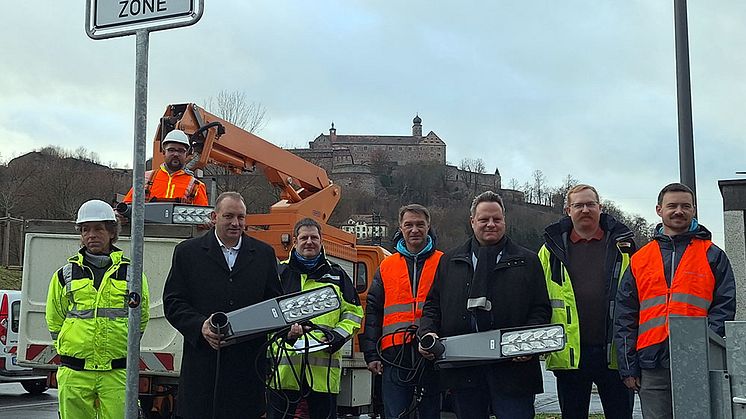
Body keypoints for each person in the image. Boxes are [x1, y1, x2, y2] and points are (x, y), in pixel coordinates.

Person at [418, 191, 551, 419]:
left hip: (513, 370)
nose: (491, 224)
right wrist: (426, 332)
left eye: (496, 219)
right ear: (472, 222)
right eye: (484, 219)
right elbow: (433, 305)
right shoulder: (449, 261)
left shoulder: (528, 261)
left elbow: (540, 309)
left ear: (504, 221)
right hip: (464, 371)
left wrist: (527, 344)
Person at [614, 182, 736, 419]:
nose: (678, 211)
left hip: (698, 361)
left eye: (685, 206)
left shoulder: (712, 254)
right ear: (659, 210)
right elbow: (625, 316)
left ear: (693, 210)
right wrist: (628, 367)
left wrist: (703, 346)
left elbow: (724, 306)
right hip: (652, 362)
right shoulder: (640, 259)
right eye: (672, 206)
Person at [163, 191, 282, 419]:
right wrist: (200, 326)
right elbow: (173, 302)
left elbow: (273, 304)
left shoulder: (264, 255)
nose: (236, 223)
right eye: (229, 216)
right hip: (202, 370)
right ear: (214, 217)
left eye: (241, 217)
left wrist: (288, 329)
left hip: (247, 372)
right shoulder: (188, 253)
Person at [538, 184, 636, 419]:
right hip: (570, 355)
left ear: (600, 208)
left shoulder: (625, 247)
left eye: (590, 204)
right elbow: (537, 298)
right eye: (578, 205)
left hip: (615, 353)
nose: (585, 209)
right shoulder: (549, 250)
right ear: (567, 210)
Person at [46, 199, 149, 419]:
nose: (91, 235)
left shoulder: (132, 274)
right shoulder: (65, 274)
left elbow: (140, 319)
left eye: (98, 229)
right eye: (85, 230)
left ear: (112, 232)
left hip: (117, 373)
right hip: (75, 373)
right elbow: (55, 319)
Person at [267, 218, 363, 419]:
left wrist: (337, 336)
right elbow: (266, 317)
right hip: (285, 372)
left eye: (314, 237)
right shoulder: (279, 273)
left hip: (323, 373)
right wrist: (286, 336)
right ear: (295, 241)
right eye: (304, 237)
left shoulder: (337, 275)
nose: (309, 242)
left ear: (321, 241)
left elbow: (354, 313)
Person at [360, 203, 443, 419]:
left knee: (430, 413)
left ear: (428, 226)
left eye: (419, 224)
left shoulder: (443, 262)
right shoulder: (387, 266)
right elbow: (373, 311)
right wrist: (371, 354)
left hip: (431, 353)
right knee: (395, 414)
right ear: (401, 227)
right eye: (409, 225)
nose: (414, 230)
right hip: (393, 354)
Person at [122, 129, 208, 206]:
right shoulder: (144, 179)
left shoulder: (196, 186)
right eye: (171, 150)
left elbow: (204, 218)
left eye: (181, 151)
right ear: (164, 152)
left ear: (187, 154)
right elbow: (126, 206)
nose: (176, 154)